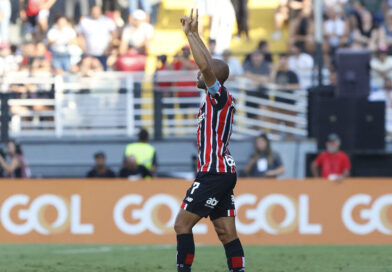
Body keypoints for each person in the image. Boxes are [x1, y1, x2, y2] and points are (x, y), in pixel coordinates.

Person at [175, 9, 245, 272]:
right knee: (226, 233)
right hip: (223, 172)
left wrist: (189, 36)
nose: (198, 74)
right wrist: (194, 33)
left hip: (213, 172)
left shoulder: (219, 98)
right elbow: (207, 61)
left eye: (202, 74)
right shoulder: (219, 99)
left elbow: (205, 65)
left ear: (213, 78)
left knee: (182, 225)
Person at [78, 5, 117, 70]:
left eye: (97, 12)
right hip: (89, 54)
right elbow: (80, 37)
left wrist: (110, 48)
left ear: (100, 12)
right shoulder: (84, 21)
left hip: (104, 54)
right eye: (94, 12)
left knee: (102, 72)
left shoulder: (107, 21)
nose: (95, 13)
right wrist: (84, 50)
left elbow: (115, 34)